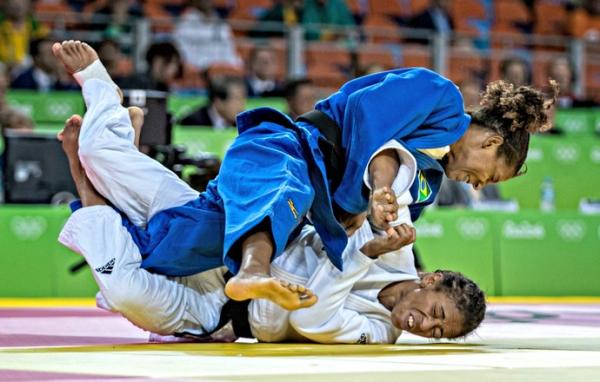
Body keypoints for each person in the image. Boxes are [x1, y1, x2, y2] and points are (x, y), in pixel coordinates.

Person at [53, 40, 556, 313]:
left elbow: (380, 208)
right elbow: (364, 116)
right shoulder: (440, 98)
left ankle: (122, 147)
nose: (476, 184)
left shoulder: (425, 182)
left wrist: (377, 227)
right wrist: (365, 199)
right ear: (491, 143)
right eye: (490, 176)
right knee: (282, 187)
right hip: (289, 149)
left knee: (165, 250)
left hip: (301, 204)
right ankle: (100, 86)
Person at [56, 120, 485, 342]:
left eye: (435, 333)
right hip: (228, 243)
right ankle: (104, 102)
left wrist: (361, 253)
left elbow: (315, 319)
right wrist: (381, 201)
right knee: (106, 155)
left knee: (123, 290)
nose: (423, 325)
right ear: (433, 280)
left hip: (216, 311)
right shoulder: (399, 243)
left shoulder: (378, 334)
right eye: (437, 314)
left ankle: (79, 176)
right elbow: (388, 160)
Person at [174, 0, 242, 70]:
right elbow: (182, 52)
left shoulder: (222, 26)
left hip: (220, 71)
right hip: (196, 72)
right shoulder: (185, 24)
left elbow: (230, 52)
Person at [11, 38, 77, 91]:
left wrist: (64, 82)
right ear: (36, 58)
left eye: (57, 53)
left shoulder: (64, 80)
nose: (56, 57)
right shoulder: (22, 81)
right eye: (51, 53)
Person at [179, 76, 246, 128]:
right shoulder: (193, 122)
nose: (241, 104)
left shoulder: (244, 123)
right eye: (237, 99)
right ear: (218, 102)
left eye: (243, 98)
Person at [0, 0, 48, 67]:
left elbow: (45, 37)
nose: (17, 7)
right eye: (13, 4)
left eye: (21, 3)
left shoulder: (34, 25)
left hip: (27, 63)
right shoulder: (2, 23)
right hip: (4, 63)